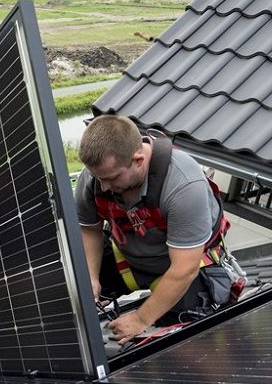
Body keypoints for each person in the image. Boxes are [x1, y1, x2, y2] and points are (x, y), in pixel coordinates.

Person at [74, 115, 236, 346]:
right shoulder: (96, 176)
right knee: (72, 286)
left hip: (180, 268)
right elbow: (89, 229)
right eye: (99, 178)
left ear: (138, 160)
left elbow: (184, 268)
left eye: (111, 178)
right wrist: (90, 277)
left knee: (181, 335)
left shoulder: (183, 184)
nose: (104, 187)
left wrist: (141, 318)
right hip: (128, 258)